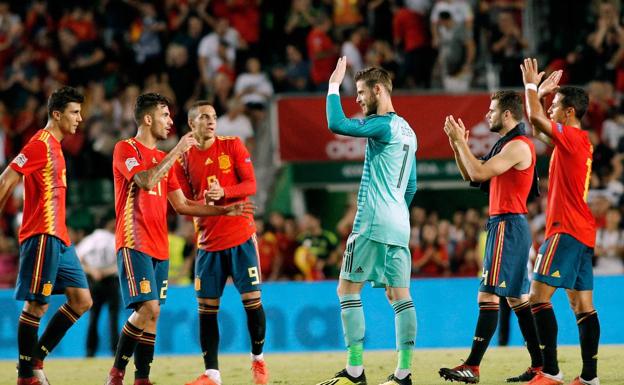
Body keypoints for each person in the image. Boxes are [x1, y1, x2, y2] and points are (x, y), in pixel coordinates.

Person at [104, 93, 253, 385]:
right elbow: (146, 181)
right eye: (165, 115)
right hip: (134, 241)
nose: (170, 121)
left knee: (153, 317)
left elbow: (182, 205)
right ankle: (116, 374)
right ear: (148, 119)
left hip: (159, 245)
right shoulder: (126, 148)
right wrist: (177, 150)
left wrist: (223, 210)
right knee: (149, 309)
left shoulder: (162, 157)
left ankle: (142, 378)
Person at [316, 57, 417, 385]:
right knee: (399, 295)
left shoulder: (384, 123)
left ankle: (355, 370)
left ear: (378, 90)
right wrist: (396, 210)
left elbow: (338, 125)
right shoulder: (409, 131)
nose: (357, 99)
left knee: (347, 289)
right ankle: (403, 373)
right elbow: (411, 185)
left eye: (360, 92)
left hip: (372, 221)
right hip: (400, 224)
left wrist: (333, 85)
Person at [438, 90, 543, 383]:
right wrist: (456, 145)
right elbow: (471, 175)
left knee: (488, 294)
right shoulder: (506, 144)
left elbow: (481, 172)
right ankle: (540, 366)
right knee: (517, 299)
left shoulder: (518, 146)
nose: (487, 115)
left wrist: (462, 143)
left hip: (507, 224)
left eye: (492, 110)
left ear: (507, 114)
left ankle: (472, 365)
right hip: (508, 225)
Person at [0, 86, 93, 385]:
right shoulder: (39, 144)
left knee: (81, 300)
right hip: (42, 234)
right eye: (74, 112)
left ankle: (35, 359)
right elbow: (5, 180)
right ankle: (26, 377)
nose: (80, 118)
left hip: (60, 238)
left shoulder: (56, 146)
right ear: (57, 114)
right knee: (36, 306)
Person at [174, 101, 268, 385]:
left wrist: (224, 191)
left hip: (240, 236)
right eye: (204, 117)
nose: (211, 121)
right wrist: (208, 201)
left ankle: (258, 360)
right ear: (192, 124)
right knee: (206, 310)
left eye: (213, 116)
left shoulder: (233, 145)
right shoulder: (182, 159)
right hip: (207, 242)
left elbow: (251, 185)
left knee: (252, 302)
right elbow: (184, 203)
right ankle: (213, 374)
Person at [521, 58, 600, 385]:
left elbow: (536, 117)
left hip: (565, 229)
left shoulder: (572, 138)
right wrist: (541, 94)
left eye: (555, 105)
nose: (550, 109)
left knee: (537, 297)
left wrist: (531, 87)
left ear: (569, 113)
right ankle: (590, 378)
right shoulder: (574, 143)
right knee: (582, 305)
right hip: (582, 231)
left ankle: (550, 372)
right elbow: (537, 121)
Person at [76, 212, 119, 357]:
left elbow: (77, 260)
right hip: (111, 281)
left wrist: (93, 271)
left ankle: (90, 351)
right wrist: (106, 271)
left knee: (93, 317)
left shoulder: (88, 240)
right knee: (113, 319)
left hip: (93, 282)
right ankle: (115, 350)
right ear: (110, 223)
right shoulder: (114, 239)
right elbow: (122, 262)